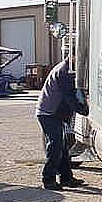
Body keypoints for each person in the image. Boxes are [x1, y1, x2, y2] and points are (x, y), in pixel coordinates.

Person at [36, 57, 89, 190]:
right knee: (56, 146)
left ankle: (66, 178)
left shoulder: (67, 69)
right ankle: (48, 179)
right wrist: (84, 110)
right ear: (74, 57)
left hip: (52, 113)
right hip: (49, 113)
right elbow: (69, 96)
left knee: (63, 147)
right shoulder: (64, 71)